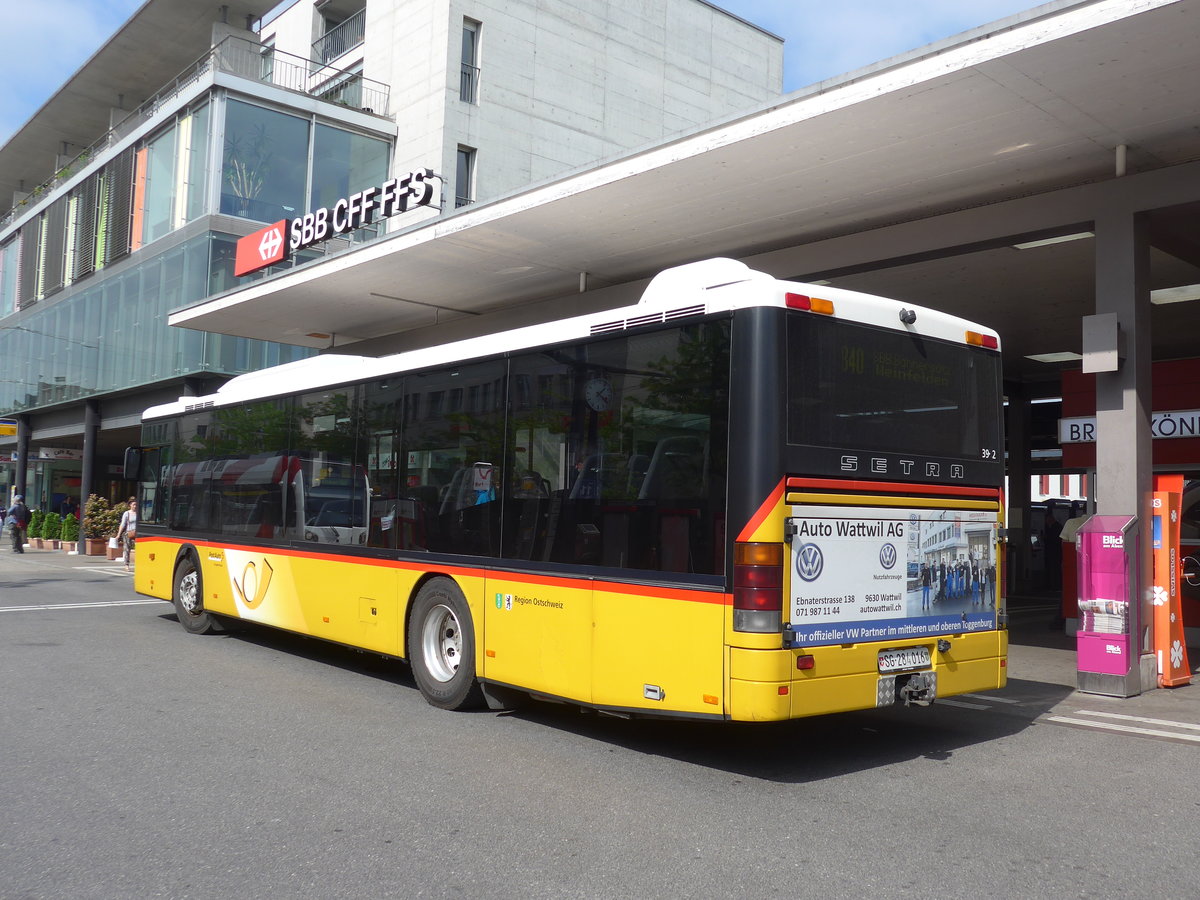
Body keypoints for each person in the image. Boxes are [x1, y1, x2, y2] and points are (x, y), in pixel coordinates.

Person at [117, 498, 137, 571]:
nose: (135, 506)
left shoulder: (139, 513)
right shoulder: (127, 513)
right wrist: (118, 534)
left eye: (136, 505)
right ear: (130, 505)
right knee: (127, 549)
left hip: (136, 533)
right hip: (128, 533)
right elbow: (123, 524)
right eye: (134, 504)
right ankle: (126, 564)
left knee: (139, 548)